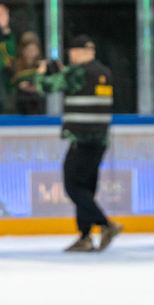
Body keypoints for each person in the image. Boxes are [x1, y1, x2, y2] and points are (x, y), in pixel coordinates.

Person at [35, 34, 122, 252]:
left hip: (81, 140)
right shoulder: (104, 72)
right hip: (100, 140)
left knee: (73, 186)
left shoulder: (78, 72)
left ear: (77, 52)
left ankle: (105, 224)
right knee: (86, 188)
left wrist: (40, 74)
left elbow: (46, 87)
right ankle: (85, 236)